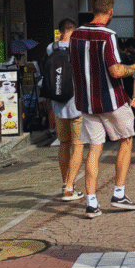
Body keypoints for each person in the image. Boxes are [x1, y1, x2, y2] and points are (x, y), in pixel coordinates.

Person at [69, 0, 135, 219]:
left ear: (92, 9)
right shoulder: (108, 35)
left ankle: (91, 202)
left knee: (94, 148)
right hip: (111, 99)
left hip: (86, 101)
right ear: (110, 12)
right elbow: (115, 70)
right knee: (126, 140)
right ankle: (119, 193)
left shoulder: (75, 35)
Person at [42, 18, 84, 201]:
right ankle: (69, 187)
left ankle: (66, 183)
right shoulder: (78, 49)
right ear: (73, 32)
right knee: (78, 145)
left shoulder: (51, 48)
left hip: (58, 106)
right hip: (77, 104)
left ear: (60, 32)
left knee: (64, 144)